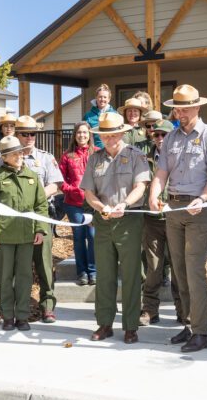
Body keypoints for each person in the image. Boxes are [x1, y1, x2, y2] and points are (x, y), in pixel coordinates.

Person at [148, 84, 207, 352]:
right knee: (180, 272)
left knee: (195, 272)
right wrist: (153, 194)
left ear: (197, 107)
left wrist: (203, 198)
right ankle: (188, 324)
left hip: (198, 210)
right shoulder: (170, 138)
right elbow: (161, 172)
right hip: (173, 209)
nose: (178, 113)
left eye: (183, 108)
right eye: (176, 108)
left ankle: (202, 332)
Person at [83, 112, 151, 344]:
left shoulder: (136, 155)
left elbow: (141, 186)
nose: (109, 139)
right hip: (102, 222)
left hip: (128, 220)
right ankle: (104, 323)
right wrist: (100, 206)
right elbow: (89, 192)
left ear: (122, 133)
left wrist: (125, 204)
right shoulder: (95, 158)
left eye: (113, 134)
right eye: (105, 135)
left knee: (131, 274)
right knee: (105, 274)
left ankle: (131, 326)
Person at [0, 136, 49, 331]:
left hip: (26, 235)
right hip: (4, 235)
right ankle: (7, 316)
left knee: (24, 276)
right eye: (13, 153)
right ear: (4, 158)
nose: (18, 155)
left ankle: (22, 316)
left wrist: (40, 228)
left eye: (20, 151)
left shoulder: (32, 177)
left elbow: (41, 205)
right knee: (5, 277)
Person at [12, 115, 63, 321]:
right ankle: (19, 306)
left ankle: (47, 305)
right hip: (16, 220)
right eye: (25, 134)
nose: (30, 137)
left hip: (41, 217)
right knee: (19, 266)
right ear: (17, 135)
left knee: (44, 264)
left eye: (33, 133)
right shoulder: (8, 156)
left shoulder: (45, 157)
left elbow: (56, 185)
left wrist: (35, 195)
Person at [140, 119, 183, 325]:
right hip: (152, 221)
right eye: (156, 134)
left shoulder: (180, 157)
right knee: (153, 268)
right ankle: (149, 310)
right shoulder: (144, 158)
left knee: (178, 267)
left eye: (163, 135)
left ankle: (183, 310)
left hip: (175, 218)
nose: (159, 138)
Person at [59, 122, 97, 286]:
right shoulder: (67, 156)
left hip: (93, 203)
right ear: (74, 135)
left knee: (93, 236)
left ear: (90, 135)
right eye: (79, 133)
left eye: (85, 132)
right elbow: (59, 180)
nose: (82, 135)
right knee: (79, 237)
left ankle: (93, 271)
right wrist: (72, 190)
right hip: (74, 203)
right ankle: (81, 272)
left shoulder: (97, 154)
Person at [83, 83, 114, 148]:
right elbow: (84, 136)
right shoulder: (88, 116)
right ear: (96, 98)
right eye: (100, 97)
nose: (102, 99)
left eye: (105, 97)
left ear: (109, 99)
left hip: (112, 152)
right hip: (95, 153)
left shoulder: (115, 114)